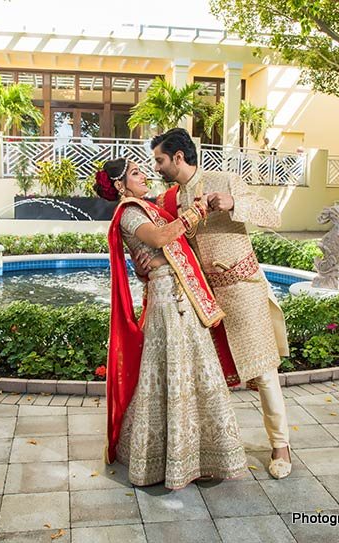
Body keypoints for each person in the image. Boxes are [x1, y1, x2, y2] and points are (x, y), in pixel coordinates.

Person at [136, 127, 293, 479]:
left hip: (244, 290)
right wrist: (157, 262)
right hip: (203, 298)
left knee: (263, 372)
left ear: (178, 157)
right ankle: (213, 450)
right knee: (208, 376)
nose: (157, 167)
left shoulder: (225, 179)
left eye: (160, 160)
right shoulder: (173, 200)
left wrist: (235, 203)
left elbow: (273, 215)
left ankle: (281, 446)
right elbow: (179, 248)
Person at [97, 157, 248, 490]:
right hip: (167, 299)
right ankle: (170, 459)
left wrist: (194, 213)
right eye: (136, 174)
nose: (144, 176)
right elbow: (161, 238)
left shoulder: (146, 208)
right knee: (174, 372)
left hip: (181, 295)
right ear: (121, 185)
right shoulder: (130, 213)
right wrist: (193, 214)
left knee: (195, 371)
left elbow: (176, 238)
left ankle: (201, 454)